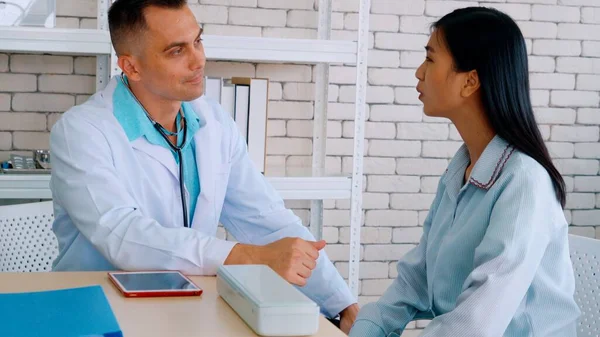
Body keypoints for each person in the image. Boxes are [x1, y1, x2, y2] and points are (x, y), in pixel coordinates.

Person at [49, 0, 358, 331]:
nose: (198, 60)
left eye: (198, 41)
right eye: (176, 51)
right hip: (97, 312)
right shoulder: (82, 131)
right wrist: (252, 258)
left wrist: (342, 303)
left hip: (187, 309)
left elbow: (267, 220)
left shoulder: (214, 122)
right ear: (132, 67)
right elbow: (122, 235)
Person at [349, 7, 580, 337]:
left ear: (470, 80)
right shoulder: (461, 170)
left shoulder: (525, 182)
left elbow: (476, 323)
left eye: (430, 60)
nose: (418, 72)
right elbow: (416, 280)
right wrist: (366, 329)